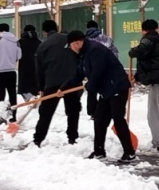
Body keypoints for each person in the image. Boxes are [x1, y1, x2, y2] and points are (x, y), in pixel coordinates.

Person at [71, 30, 136, 162]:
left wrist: (90, 86)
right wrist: (64, 87)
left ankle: (129, 152)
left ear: (77, 43)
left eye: (70, 45)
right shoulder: (85, 52)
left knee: (118, 119)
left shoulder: (95, 50)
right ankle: (99, 151)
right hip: (106, 90)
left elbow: (97, 71)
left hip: (117, 87)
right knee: (100, 119)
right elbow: (80, 72)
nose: (71, 49)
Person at [34, 20, 82, 147]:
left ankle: (38, 139)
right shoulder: (70, 40)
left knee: (46, 112)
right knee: (73, 111)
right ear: (57, 27)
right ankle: (72, 137)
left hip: (52, 82)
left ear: (44, 32)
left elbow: (40, 69)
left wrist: (41, 88)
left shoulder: (43, 46)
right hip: (72, 81)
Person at [129, 19, 159, 152]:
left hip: (158, 82)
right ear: (156, 29)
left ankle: (158, 144)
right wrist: (138, 77)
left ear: (144, 30)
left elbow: (139, 51)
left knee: (154, 114)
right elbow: (152, 60)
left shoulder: (149, 39)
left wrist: (132, 52)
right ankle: (158, 141)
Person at [84, 20, 119, 117]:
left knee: (92, 88)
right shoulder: (107, 38)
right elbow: (114, 52)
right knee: (106, 89)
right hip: (107, 69)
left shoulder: (86, 40)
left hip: (93, 69)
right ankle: (107, 110)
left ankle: (92, 111)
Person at [0, 23, 22, 116]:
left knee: (1, 95)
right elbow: (19, 55)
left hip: (0, 72)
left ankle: (2, 115)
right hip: (11, 71)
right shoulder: (16, 41)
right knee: (12, 94)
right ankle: (13, 115)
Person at [17, 25, 41, 101]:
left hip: (24, 67)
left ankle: (29, 99)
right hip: (36, 66)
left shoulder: (20, 42)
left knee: (24, 87)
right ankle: (34, 98)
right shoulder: (39, 42)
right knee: (35, 85)